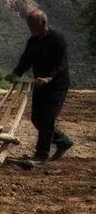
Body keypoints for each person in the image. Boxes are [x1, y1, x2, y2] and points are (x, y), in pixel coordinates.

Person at [6, 9, 73, 164]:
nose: (31, 29)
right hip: (39, 84)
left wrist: (50, 78)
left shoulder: (57, 39)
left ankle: (41, 156)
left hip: (57, 85)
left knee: (48, 119)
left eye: (34, 25)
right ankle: (63, 141)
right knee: (37, 119)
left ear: (44, 23)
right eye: (29, 25)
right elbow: (26, 60)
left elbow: (61, 64)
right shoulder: (33, 41)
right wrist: (16, 73)